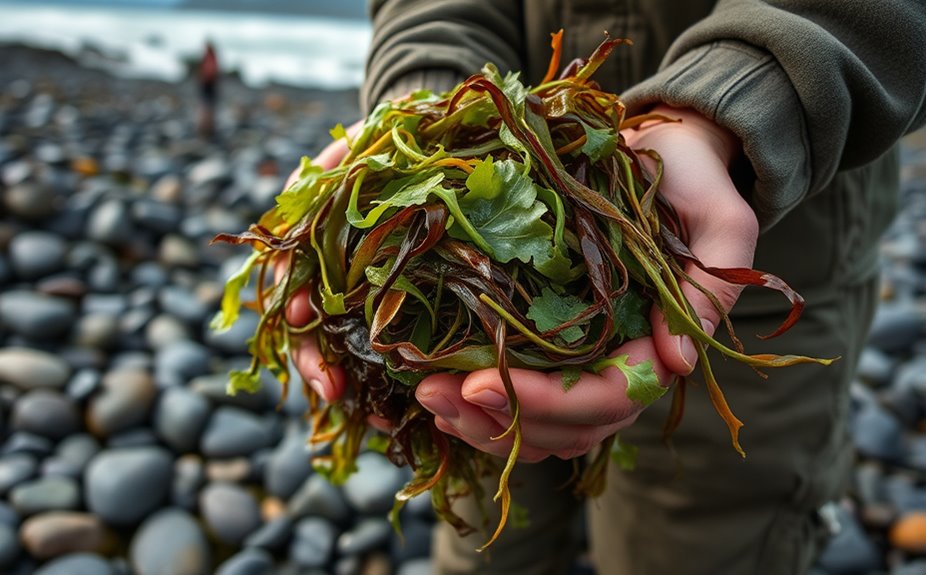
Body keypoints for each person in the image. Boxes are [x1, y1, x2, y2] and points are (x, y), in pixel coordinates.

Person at [287, 2, 926, 573]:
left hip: (753, 214)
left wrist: (730, 105)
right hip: (516, 179)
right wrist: (425, 94)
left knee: (696, 534)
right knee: (489, 538)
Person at [197, 40, 219, 139]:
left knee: (207, 106)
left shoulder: (209, 58)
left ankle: (207, 129)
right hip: (209, 85)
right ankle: (207, 129)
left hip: (208, 85)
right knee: (208, 107)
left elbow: (209, 72)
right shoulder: (211, 57)